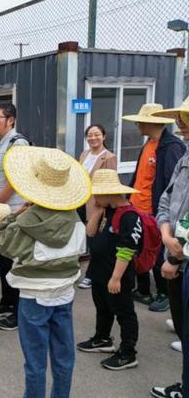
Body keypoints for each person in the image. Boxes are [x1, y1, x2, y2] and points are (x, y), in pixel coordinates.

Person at [0, 146, 89, 398]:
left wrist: (15, 215)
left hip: (34, 295)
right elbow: (80, 253)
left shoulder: (26, 221)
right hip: (64, 294)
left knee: (35, 361)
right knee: (64, 357)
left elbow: (1, 242)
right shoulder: (76, 221)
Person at [77, 169, 142, 372]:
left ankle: (127, 352)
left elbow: (127, 249)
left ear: (110, 192)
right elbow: (90, 233)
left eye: (98, 194)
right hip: (99, 270)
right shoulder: (107, 209)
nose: (95, 197)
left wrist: (116, 277)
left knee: (123, 311)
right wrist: (96, 213)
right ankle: (102, 338)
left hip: (116, 275)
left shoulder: (130, 216)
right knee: (102, 306)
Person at [123, 104, 185, 312]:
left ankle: (164, 292)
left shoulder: (171, 146)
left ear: (152, 123)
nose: (138, 124)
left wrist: (163, 214)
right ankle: (143, 290)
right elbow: (139, 176)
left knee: (157, 253)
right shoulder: (149, 144)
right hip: (137, 207)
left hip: (154, 211)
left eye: (140, 121)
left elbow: (172, 187)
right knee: (139, 250)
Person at [148, 98, 189, 398]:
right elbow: (167, 198)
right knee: (182, 323)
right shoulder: (184, 157)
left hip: (180, 258)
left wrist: (175, 256)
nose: (182, 126)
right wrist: (165, 233)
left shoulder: (173, 148)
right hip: (173, 251)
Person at [0, 102, 30, 331]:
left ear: (10, 120)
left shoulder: (17, 142)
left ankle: (19, 311)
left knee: (15, 260)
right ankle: (7, 299)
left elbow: (15, 180)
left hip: (13, 209)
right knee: (2, 258)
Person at [77, 124, 117, 289]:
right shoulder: (84, 153)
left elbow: (110, 183)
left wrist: (102, 205)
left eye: (97, 134)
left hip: (97, 203)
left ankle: (91, 276)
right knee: (80, 237)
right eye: (90, 135)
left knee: (95, 240)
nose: (93, 138)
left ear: (104, 136)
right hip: (79, 201)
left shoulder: (109, 157)